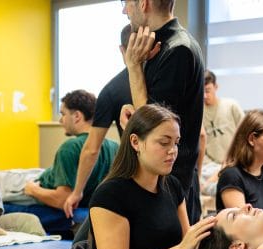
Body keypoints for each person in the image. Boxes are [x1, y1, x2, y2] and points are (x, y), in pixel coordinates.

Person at [86, 104, 215, 249]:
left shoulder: (172, 186)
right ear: (135, 142)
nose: (173, 150)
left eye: (176, 143)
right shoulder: (110, 195)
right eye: (164, 143)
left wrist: (219, 236)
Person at [120, 0, 205, 222]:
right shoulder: (162, 46)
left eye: (126, 3)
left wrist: (133, 67)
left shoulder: (177, 50)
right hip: (160, 182)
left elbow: (153, 126)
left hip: (169, 187)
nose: (124, 10)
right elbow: (150, 110)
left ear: (143, 3)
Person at [64, 26, 133, 219]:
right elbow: (200, 135)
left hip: (137, 181)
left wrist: (77, 192)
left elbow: (91, 149)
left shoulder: (112, 90)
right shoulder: (168, 78)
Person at [17, 90, 117, 211]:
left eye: (63, 114)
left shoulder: (70, 148)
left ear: (77, 116)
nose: (60, 120)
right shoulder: (114, 147)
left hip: (33, 185)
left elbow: (63, 200)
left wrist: (33, 190)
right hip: (40, 174)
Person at [201, 70, 244, 177]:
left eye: (207, 90)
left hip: (235, 161)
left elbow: (246, 132)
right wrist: (212, 165)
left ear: (216, 87)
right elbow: (199, 144)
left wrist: (235, 159)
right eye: (201, 91)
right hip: (210, 166)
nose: (204, 95)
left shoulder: (231, 106)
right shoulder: (198, 113)